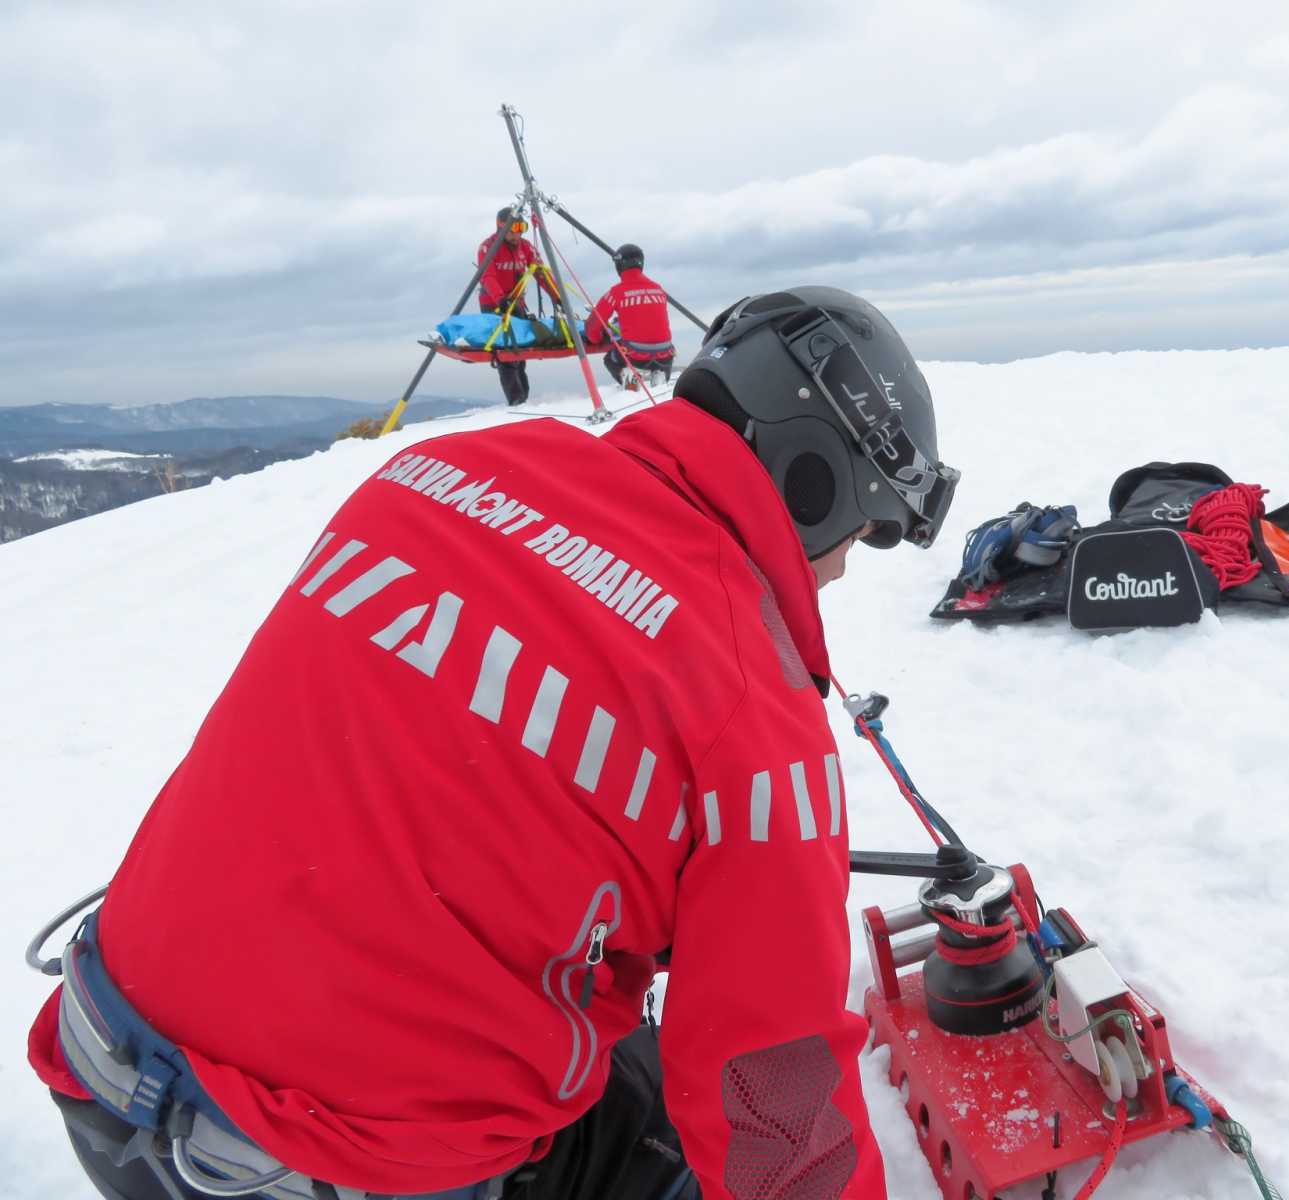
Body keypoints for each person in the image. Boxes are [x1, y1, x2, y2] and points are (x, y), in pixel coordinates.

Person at [26, 286, 960, 1200]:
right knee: (661, 1134)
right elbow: (774, 1119)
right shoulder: (755, 726)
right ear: (815, 486)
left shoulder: (438, 476)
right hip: (329, 1164)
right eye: (861, 535)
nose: (839, 569)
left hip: (99, 1049)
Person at [477, 207, 560, 407]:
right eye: (515, 228)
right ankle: (516, 400)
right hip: (495, 305)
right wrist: (500, 299)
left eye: (522, 227)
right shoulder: (488, 248)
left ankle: (524, 398)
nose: (519, 233)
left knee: (521, 352)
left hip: (517, 303)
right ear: (502, 228)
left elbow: (541, 273)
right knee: (506, 355)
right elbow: (488, 276)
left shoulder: (525, 247)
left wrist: (557, 296)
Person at [582, 244, 676, 388]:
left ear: (620, 265)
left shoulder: (616, 292)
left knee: (610, 359)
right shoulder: (658, 289)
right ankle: (659, 376)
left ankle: (630, 382)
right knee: (657, 353)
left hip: (635, 356)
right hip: (666, 356)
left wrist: (597, 339)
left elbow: (592, 328)